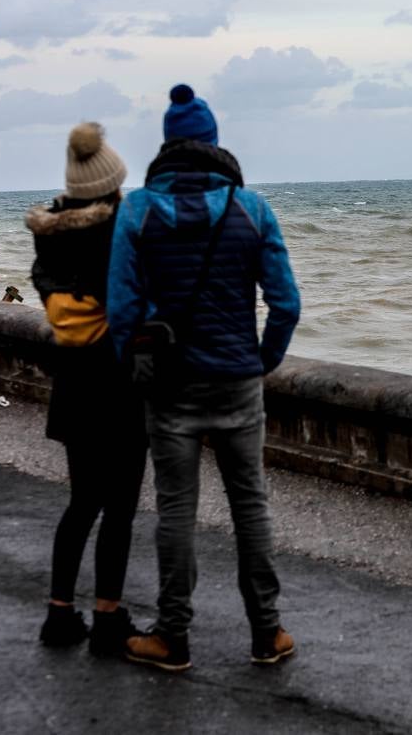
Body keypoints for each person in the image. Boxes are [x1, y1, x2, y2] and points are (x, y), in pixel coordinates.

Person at [107, 84, 301, 672]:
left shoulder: (138, 210)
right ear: (215, 143)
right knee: (252, 506)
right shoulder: (252, 208)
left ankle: (172, 636)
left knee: (175, 512)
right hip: (239, 380)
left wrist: (137, 364)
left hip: (171, 386)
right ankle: (267, 633)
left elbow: (122, 309)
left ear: (168, 145)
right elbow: (286, 302)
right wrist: (262, 358)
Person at [27, 122, 147, 656]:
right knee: (119, 507)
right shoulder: (120, 230)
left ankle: (59, 613)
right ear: (112, 182)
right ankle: (108, 617)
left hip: (73, 384)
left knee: (81, 503)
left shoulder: (48, 235)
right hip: (119, 384)